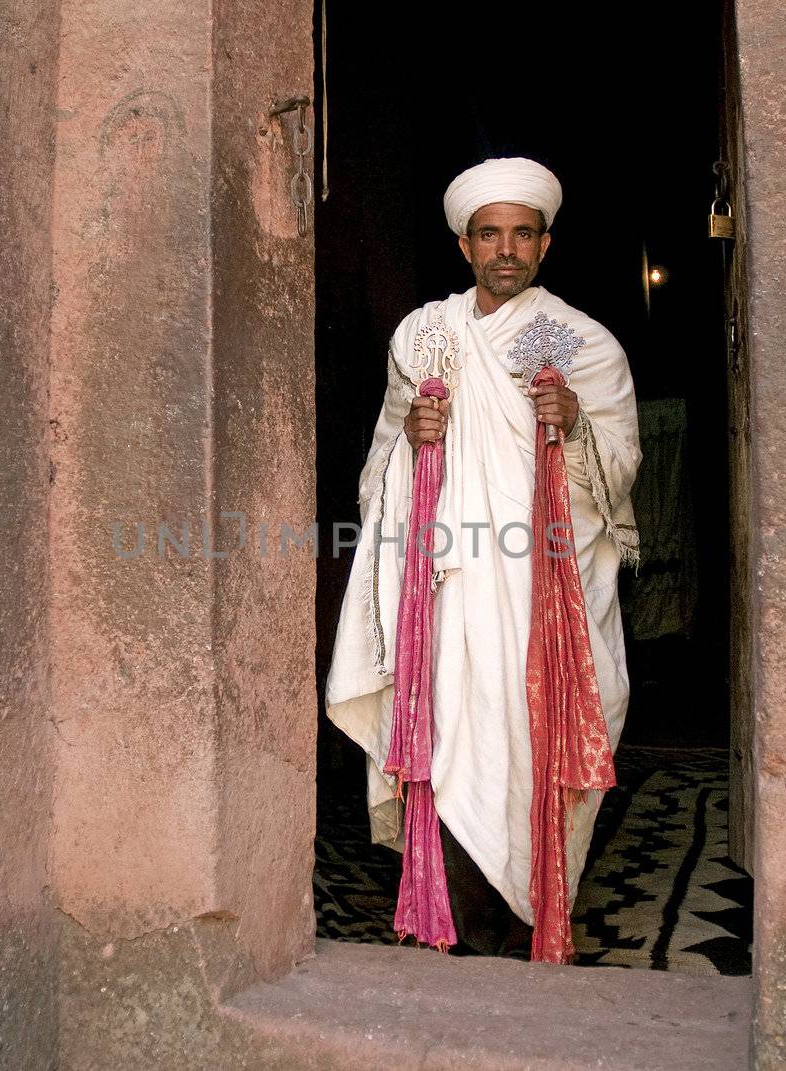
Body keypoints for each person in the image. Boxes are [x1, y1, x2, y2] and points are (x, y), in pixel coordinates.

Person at [325, 157, 641, 957]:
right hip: (447, 589)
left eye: (522, 234)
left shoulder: (575, 341)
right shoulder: (426, 335)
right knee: (451, 743)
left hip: (542, 596)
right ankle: (463, 926)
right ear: (463, 244)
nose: (507, 249)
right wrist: (413, 444)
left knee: (537, 742)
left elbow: (621, 471)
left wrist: (571, 423)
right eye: (490, 234)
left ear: (546, 244)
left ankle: (531, 912)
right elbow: (382, 461)